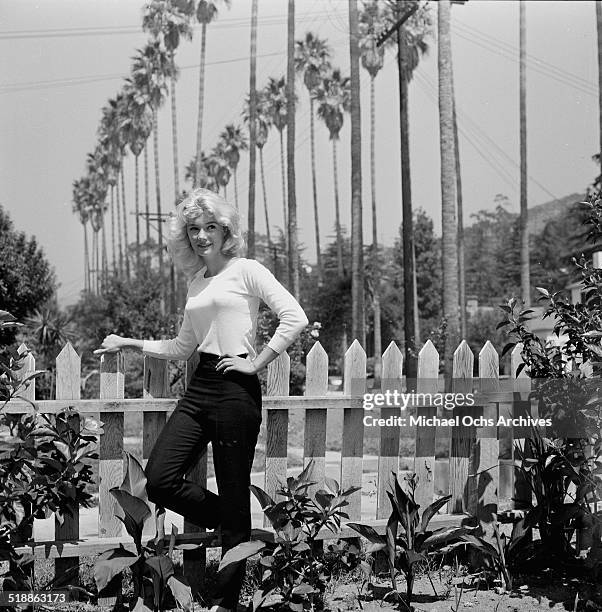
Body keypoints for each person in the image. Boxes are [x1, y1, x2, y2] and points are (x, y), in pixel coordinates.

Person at [95, 188, 308, 611]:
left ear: (225, 230)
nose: (202, 236)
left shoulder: (247, 270)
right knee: (159, 477)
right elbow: (181, 345)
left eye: (210, 227)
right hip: (199, 389)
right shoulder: (196, 283)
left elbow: (294, 317)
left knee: (232, 489)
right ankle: (232, 523)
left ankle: (227, 601)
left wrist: (257, 363)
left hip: (235, 389)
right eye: (194, 229)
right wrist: (129, 342)